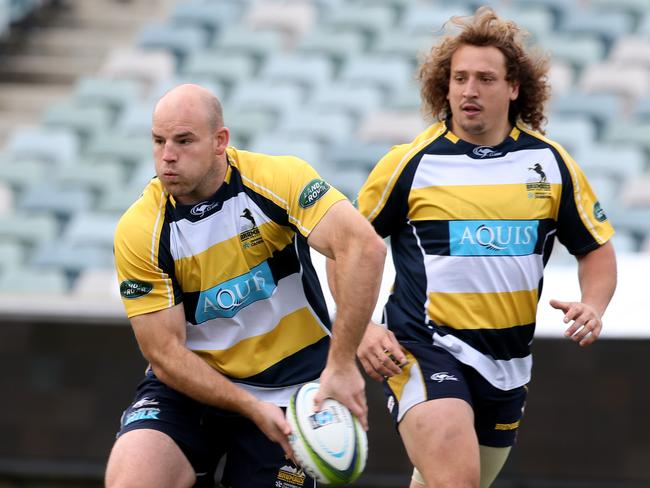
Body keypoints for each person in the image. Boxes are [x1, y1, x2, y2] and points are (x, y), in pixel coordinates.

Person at [352, 7, 617, 488]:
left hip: (508, 361)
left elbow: (596, 249)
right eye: (460, 78)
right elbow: (349, 247)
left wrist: (594, 304)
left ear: (514, 87)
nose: (469, 90)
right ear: (445, 86)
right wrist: (362, 329)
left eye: (485, 78)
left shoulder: (550, 163)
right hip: (424, 347)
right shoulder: (409, 163)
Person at [105, 84, 386, 488]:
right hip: (191, 387)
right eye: (158, 141)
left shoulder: (278, 178)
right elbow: (164, 354)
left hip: (293, 391)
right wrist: (248, 405)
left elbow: (364, 247)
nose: (167, 156)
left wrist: (342, 363)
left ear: (221, 141)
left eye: (184, 141)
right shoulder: (139, 228)